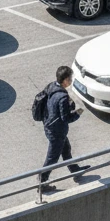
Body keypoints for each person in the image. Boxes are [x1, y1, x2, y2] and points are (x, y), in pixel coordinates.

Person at [39, 65, 88, 193]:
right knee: (52, 158)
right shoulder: (62, 97)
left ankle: (75, 170)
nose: (71, 81)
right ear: (65, 80)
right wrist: (78, 113)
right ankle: (42, 182)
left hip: (50, 125)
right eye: (70, 78)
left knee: (66, 150)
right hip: (56, 131)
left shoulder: (52, 86)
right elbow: (66, 118)